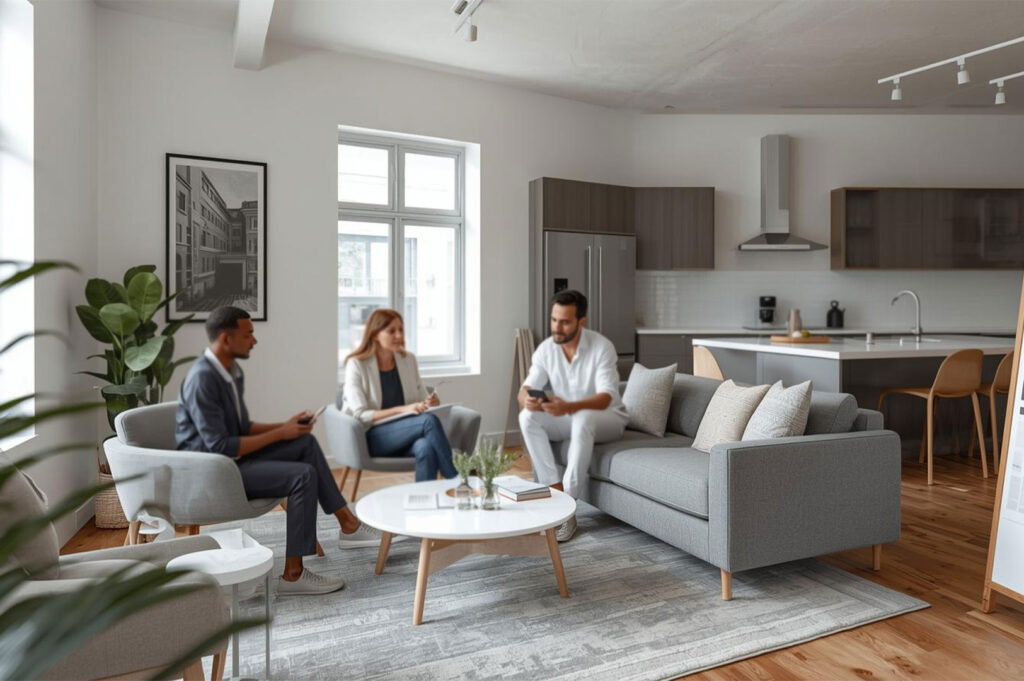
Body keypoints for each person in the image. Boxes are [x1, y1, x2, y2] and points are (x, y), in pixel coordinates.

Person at [176, 306, 380, 596]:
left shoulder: (229, 372)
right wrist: (280, 434)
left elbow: (241, 427)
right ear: (225, 339)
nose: (254, 341)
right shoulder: (203, 380)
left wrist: (286, 426)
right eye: (248, 334)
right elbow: (220, 445)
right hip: (214, 473)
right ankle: (293, 576)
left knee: (305, 443)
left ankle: (349, 525)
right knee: (303, 476)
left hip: (231, 460)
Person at [518, 290, 628, 542]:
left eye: (565, 321)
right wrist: (529, 399)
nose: (557, 327)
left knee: (583, 417)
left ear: (581, 321)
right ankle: (553, 491)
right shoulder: (546, 350)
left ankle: (568, 506)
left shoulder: (602, 347)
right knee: (527, 417)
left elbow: (607, 397)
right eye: (554, 320)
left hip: (607, 418)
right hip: (571, 417)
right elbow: (522, 391)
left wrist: (568, 406)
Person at [342, 309, 458, 481]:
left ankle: (425, 504)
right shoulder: (357, 364)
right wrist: (404, 410)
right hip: (371, 438)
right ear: (375, 335)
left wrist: (430, 402)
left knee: (425, 447)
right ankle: (457, 482)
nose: (398, 335)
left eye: (401, 329)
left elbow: (420, 399)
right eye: (391, 331)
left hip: (408, 433)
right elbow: (360, 415)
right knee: (428, 421)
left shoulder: (408, 360)